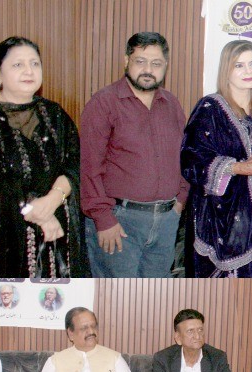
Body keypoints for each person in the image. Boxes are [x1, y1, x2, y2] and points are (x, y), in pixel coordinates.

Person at [80, 32, 188, 278]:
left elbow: (183, 156)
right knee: (118, 296)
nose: (148, 70)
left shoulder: (172, 105)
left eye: (156, 63)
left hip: (166, 222)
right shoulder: (104, 103)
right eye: (141, 61)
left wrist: (180, 200)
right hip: (119, 223)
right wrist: (103, 218)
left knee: (155, 297)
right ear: (126, 61)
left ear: (165, 66)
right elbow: (89, 166)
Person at [0, 36, 84, 277]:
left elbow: (75, 164)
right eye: (18, 64)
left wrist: (53, 200)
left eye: (35, 64)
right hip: (11, 237)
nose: (29, 71)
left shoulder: (55, 114)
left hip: (61, 233)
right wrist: (41, 216)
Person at [181, 39, 252, 277]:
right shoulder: (210, 109)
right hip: (222, 221)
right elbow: (190, 159)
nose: (248, 71)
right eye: (239, 65)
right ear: (226, 70)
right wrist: (238, 167)